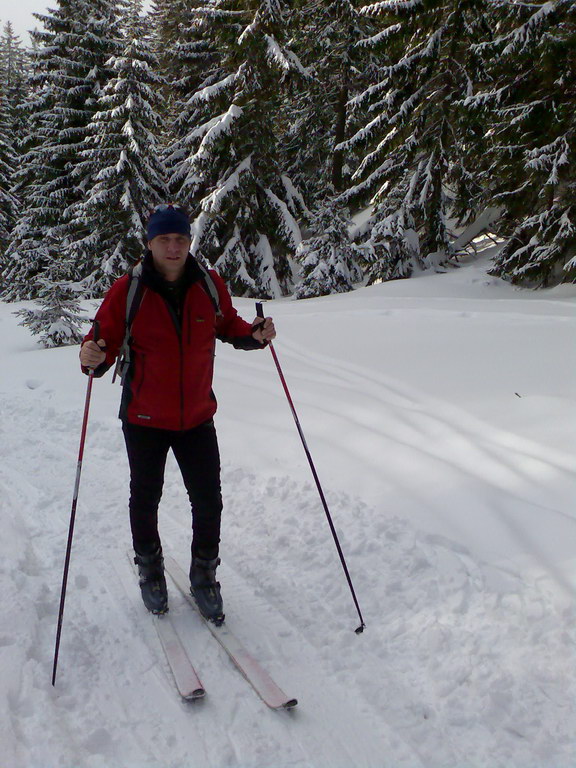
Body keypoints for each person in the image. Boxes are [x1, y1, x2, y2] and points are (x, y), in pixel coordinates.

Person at [79, 204, 276, 624]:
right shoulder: (127, 290)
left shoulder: (208, 283)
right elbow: (101, 343)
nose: (173, 247)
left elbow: (229, 325)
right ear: (149, 243)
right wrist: (91, 354)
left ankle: (204, 575)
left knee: (209, 502)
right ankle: (150, 570)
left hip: (197, 418)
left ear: (189, 242)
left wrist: (254, 335)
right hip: (144, 418)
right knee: (146, 497)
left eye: (181, 239)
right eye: (164, 240)